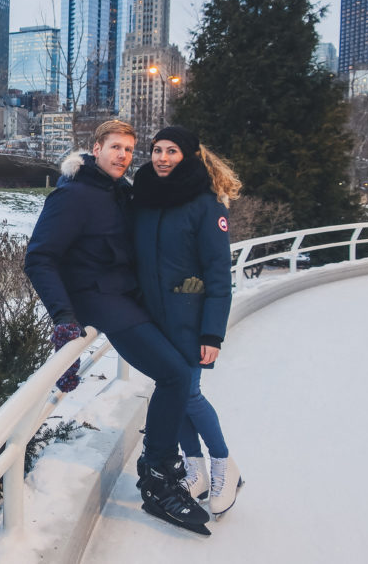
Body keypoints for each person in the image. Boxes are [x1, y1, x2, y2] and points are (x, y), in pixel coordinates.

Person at [24, 120, 210, 533]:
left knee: (180, 367)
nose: (123, 155)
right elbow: (39, 258)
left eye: (129, 148)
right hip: (101, 301)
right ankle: (157, 474)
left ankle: (170, 464)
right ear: (95, 148)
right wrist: (64, 319)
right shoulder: (72, 197)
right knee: (175, 373)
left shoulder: (121, 192)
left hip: (129, 296)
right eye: (115, 147)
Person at [130, 125, 244, 518]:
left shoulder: (206, 204)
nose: (161, 157)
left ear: (189, 156)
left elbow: (217, 272)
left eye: (172, 151)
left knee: (188, 394)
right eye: (157, 150)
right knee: (171, 389)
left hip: (190, 321)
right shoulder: (143, 197)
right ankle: (192, 466)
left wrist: (213, 331)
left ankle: (224, 465)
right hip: (153, 318)